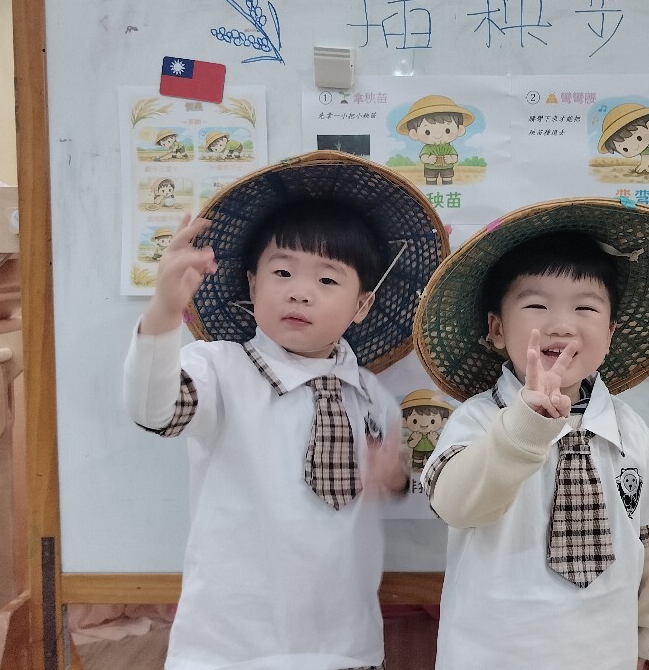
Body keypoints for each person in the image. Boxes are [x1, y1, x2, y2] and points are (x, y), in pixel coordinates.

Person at [123, 150, 449, 670]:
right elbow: (155, 410)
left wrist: (392, 479)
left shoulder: (371, 395)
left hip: (346, 640)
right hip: (229, 646)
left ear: (361, 305)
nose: (300, 292)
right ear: (253, 285)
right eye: (281, 272)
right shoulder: (219, 369)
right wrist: (163, 311)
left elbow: (384, 488)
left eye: (327, 280)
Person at [414, 198, 649, 670]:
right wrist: (524, 429)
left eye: (585, 308)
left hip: (604, 654)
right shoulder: (478, 419)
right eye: (536, 305)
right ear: (496, 329)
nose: (561, 325)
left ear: (609, 335)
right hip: (490, 655)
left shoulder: (629, 431)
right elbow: (456, 505)